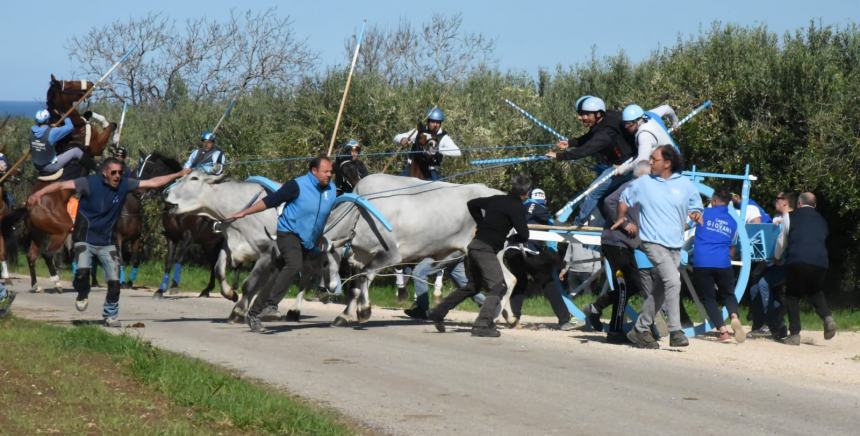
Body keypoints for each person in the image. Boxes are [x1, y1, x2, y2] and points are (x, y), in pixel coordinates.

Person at [27, 158, 189, 327]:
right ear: (105, 173)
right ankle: (82, 293)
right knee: (82, 274)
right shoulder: (89, 183)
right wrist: (38, 194)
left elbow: (153, 183)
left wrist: (178, 174)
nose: (118, 176)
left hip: (106, 242)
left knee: (114, 281)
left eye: (120, 172)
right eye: (114, 172)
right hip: (85, 239)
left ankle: (110, 315)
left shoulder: (125, 185)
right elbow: (60, 185)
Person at [229, 155, 337, 333]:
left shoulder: (331, 189)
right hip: (288, 233)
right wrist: (245, 212)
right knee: (294, 265)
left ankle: (253, 314)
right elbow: (271, 201)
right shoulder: (297, 185)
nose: (329, 174)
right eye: (326, 171)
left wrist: (318, 237)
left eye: (331, 171)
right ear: (314, 171)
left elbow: (322, 216)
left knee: (278, 273)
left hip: (309, 240)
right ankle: (271, 305)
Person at [614, 145, 703, 348]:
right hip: (653, 242)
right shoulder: (643, 183)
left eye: (654, 159)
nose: (650, 162)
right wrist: (622, 218)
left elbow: (696, 205)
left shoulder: (685, 184)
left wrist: (697, 213)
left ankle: (640, 329)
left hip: (675, 244)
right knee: (673, 280)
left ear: (667, 163)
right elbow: (624, 199)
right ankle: (675, 330)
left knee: (661, 289)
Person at [426, 174, 532, 338]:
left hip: (473, 247)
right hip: (485, 250)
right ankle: (482, 324)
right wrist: (511, 239)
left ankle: (438, 312)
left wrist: (480, 223)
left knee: (472, 287)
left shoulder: (497, 199)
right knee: (499, 286)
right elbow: (525, 235)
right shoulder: (518, 207)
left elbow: (472, 203)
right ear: (526, 193)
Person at [581, 161, 650, 343]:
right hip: (614, 242)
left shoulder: (644, 193)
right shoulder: (630, 187)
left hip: (626, 246)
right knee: (623, 286)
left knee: (634, 284)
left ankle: (596, 308)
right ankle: (614, 331)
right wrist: (624, 222)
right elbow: (609, 201)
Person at [545, 96, 635, 226]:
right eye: (581, 114)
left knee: (593, 191)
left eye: (586, 114)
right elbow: (591, 136)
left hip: (626, 166)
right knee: (593, 190)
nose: (581, 118)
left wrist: (559, 156)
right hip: (620, 163)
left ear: (598, 114)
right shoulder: (606, 118)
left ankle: (578, 224)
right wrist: (571, 142)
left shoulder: (606, 133)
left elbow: (586, 150)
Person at [504, 188, 576, 330]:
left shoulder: (521, 206)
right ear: (544, 200)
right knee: (547, 282)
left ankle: (515, 318)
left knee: (520, 281)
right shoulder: (540, 208)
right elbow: (554, 225)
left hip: (512, 249)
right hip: (528, 250)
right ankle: (564, 320)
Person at [772, 192, 837, 345]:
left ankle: (794, 334)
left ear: (799, 204)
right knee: (815, 291)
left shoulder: (790, 216)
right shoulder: (822, 220)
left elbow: (782, 241)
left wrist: (776, 257)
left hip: (797, 259)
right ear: (815, 205)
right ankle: (827, 318)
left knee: (792, 296)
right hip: (820, 262)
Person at [691, 188, 745, 343]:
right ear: (728, 203)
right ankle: (734, 316)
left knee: (708, 298)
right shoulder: (733, 222)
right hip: (722, 262)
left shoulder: (704, 214)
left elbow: (688, 220)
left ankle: (723, 331)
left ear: (713, 201)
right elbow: (732, 247)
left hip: (702, 262)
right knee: (728, 294)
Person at [748, 191, 795, 337]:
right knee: (755, 288)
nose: (775, 201)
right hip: (774, 264)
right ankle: (760, 325)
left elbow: (783, 243)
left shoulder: (790, 219)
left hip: (787, 264)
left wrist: (775, 257)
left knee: (762, 284)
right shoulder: (777, 219)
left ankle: (774, 324)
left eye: (778, 199)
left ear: (785, 201)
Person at [394, 107, 461, 181]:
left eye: (438, 122)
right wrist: (402, 139)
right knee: (396, 186)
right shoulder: (418, 132)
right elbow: (396, 137)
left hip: (430, 172)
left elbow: (457, 152)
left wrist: (437, 149)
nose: (435, 125)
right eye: (433, 122)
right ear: (428, 121)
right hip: (411, 169)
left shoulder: (443, 137)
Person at [616, 103, 680, 176]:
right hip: (676, 157)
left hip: (670, 168)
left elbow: (641, 160)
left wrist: (623, 169)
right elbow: (667, 108)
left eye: (629, 124)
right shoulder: (650, 115)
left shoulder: (644, 135)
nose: (626, 127)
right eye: (625, 123)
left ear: (638, 121)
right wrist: (675, 122)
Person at [29, 109, 80, 175]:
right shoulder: (52, 132)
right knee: (76, 151)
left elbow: (41, 133)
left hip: (37, 164)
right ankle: (94, 168)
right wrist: (64, 116)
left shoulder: (31, 131)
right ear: (47, 120)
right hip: (49, 166)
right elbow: (70, 127)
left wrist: (49, 127)